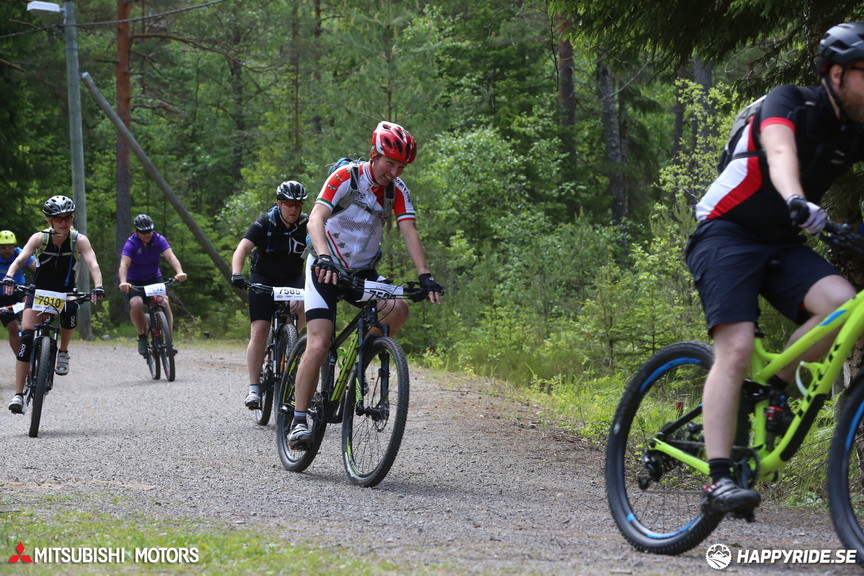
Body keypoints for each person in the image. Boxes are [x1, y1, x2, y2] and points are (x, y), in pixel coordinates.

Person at [685, 22, 864, 518]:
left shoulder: (855, 133)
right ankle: (717, 481)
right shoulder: (791, 101)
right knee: (737, 346)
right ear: (836, 72)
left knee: (842, 304)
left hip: (781, 242)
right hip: (726, 231)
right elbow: (780, 151)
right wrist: (796, 199)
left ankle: (772, 393)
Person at [288, 121, 444, 449]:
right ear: (374, 155)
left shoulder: (397, 191)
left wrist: (425, 274)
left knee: (398, 308)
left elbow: (409, 231)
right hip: (325, 267)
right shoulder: (346, 178)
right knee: (318, 342)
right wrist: (323, 255)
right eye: (390, 163)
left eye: (402, 166)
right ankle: (299, 420)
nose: (395, 171)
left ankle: (359, 357)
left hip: (361, 272)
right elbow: (315, 218)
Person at [3, 195, 104, 413]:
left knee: (71, 308)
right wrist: (10, 275)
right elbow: (21, 259)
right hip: (39, 291)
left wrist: (98, 286)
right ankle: (18, 395)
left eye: (68, 218)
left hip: (65, 292)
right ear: (49, 220)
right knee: (27, 338)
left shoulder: (79, 240)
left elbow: (92, 263)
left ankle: (64, 352)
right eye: (59, 219)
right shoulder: (40, 238)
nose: (64, 222)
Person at [231, 180, 309, 410]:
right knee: (259, 331)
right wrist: (237, 273)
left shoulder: (306, 224)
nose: (294, 209)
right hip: (263, 277)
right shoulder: (266, 222)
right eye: (289, 204)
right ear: (279, 203)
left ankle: (289, 344)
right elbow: (242, 248)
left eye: (298, 204)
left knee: (301, 306)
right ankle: (254, 387)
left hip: (292, 277)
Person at [118, 214, 187, 355]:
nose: (146, 235)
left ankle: (168, 340)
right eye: (143, 232)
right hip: (134, 281)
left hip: (154, 278)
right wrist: (123, 282)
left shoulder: (158, 239)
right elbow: (124, 264)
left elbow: (170, 256)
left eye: (149, 231)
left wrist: (179, 272)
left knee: (164, 302)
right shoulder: (131, 243)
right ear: (136, 231)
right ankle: (142, 336)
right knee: (136, 303)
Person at [0, 230, 37, 355]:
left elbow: (37, 268)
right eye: (3, 247)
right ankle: (21, 359)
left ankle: (39, 344)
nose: (7, 250)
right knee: (13, 328)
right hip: (2, 297)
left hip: (20, 291)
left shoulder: (19, 253)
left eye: (10, 247)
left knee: (33, 319)